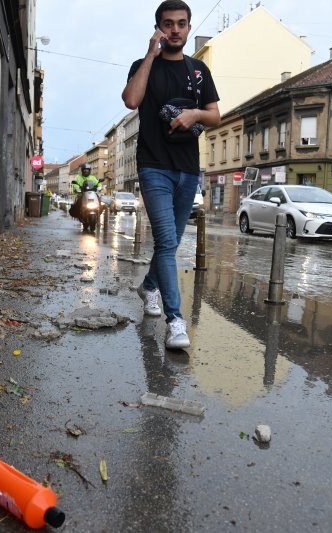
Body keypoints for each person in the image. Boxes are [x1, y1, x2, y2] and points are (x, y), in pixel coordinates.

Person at [121, 0, 220, 349]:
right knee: (166, 243)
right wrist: (150, 54)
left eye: (181, 24)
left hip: (188, 170)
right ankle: (175, 320)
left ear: (189, 28)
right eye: (167, 24)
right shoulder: (142, 65)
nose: (175, 29)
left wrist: (194, 115)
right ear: (159, 28)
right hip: (153, 167)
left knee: (171, 242)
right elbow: (132, 100)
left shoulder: (198, 71)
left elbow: (215, 116)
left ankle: (148, 286)